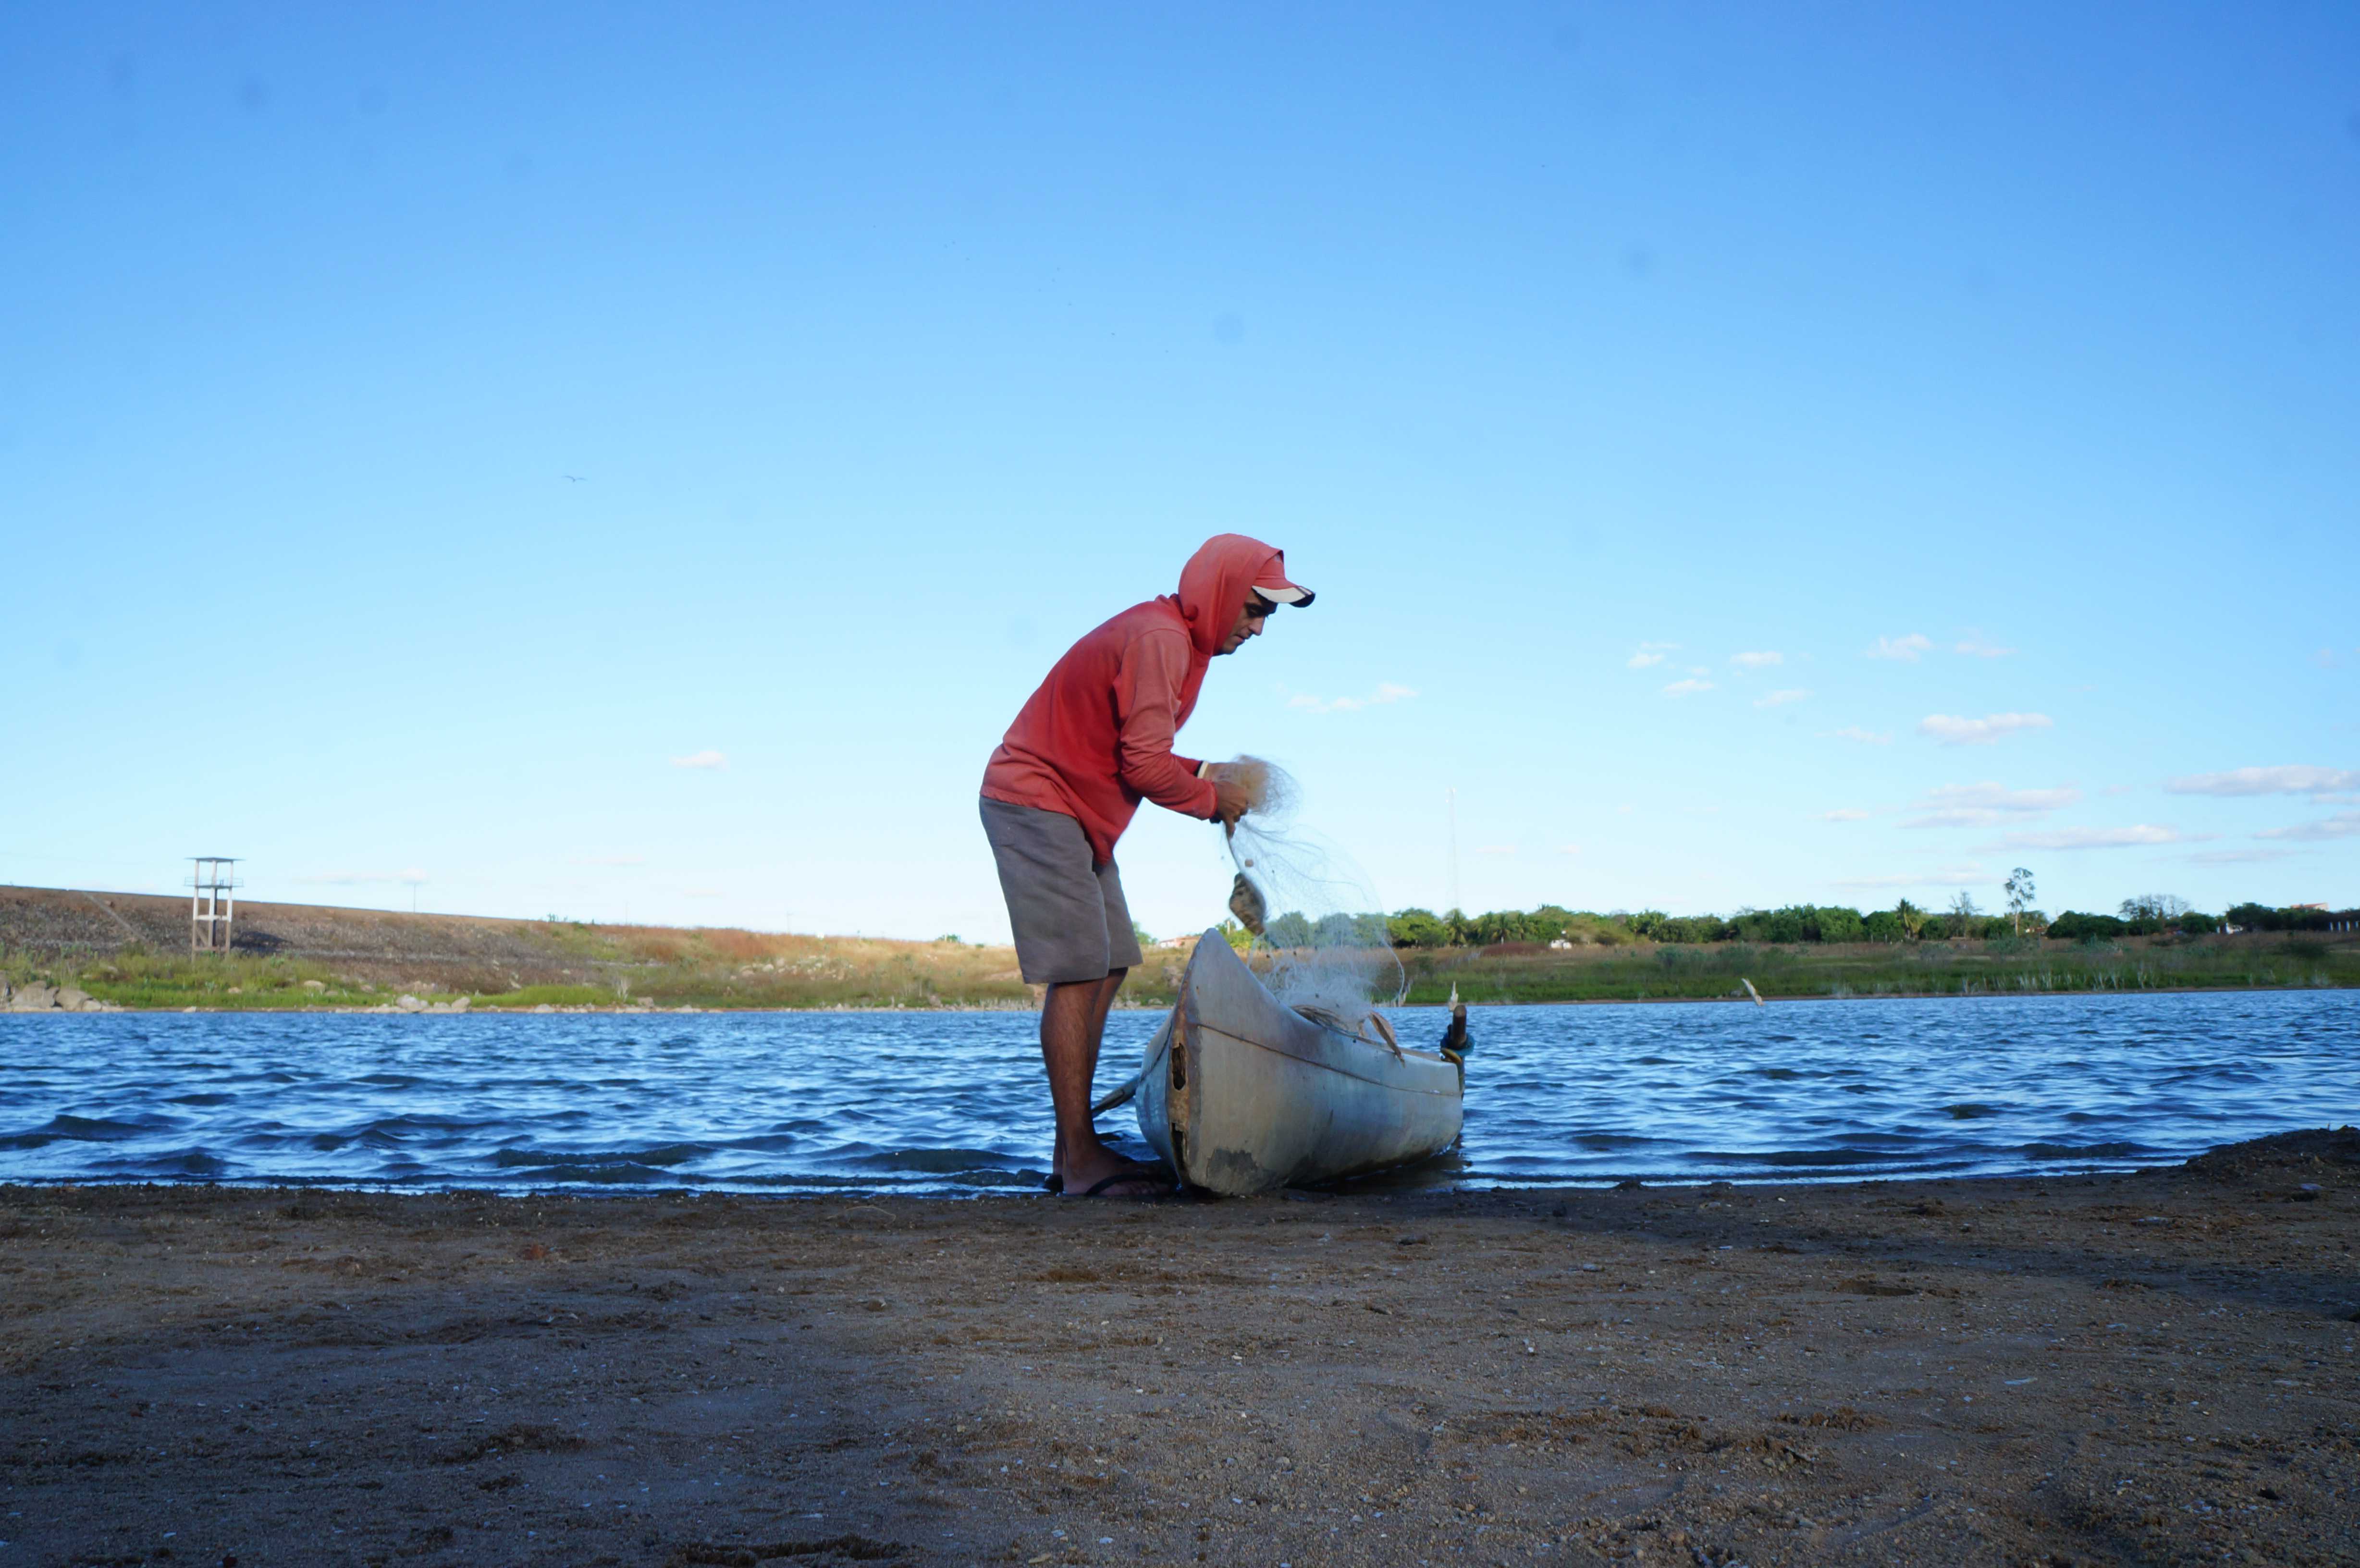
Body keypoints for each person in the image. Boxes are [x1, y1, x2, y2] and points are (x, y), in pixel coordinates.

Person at [980, 534, 1314, 1198]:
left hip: (1076, 813)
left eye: (1269, 616)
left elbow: (1142, 748)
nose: (1257, 627)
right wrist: (1211, 795)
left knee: (1110, 962)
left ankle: (1072, 1156)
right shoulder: (1161, 639)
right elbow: (1142, 766)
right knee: (1077, 972)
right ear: (1218, 592)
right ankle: (1079, 1162)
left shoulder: (1180, 645)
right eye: (1254, 609)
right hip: (1035, 799)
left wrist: (1205, 776)